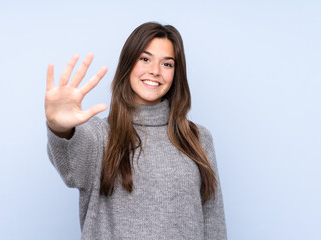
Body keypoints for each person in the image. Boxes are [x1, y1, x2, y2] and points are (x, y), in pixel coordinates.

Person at [45, 22, 227, 240]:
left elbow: (213, 222)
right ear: (128, 64)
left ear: (176, 74)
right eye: (145, 59)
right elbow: (70, 166)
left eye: (167, 64)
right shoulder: (99, 135)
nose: (155, 71)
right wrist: (59, 126)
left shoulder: (198, 139)